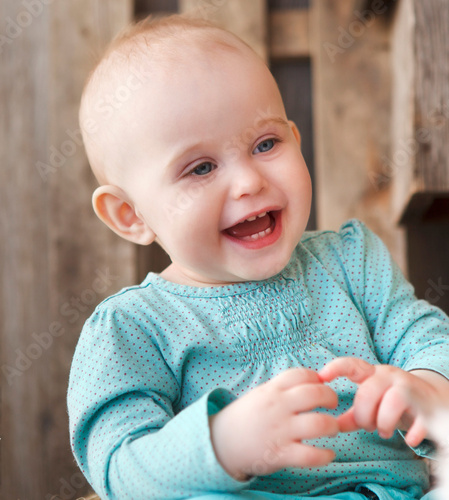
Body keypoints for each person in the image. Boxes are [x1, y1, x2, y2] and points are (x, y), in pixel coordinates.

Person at [68, 14, 449, 500]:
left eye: (265, 143)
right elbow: (118, 469)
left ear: (295, 137)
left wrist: (426, 388)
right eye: (201, 168)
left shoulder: (351, 262)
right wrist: (221, 445)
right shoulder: (134, 328)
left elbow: (425, 336)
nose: (249, 181)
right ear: (130, 214)